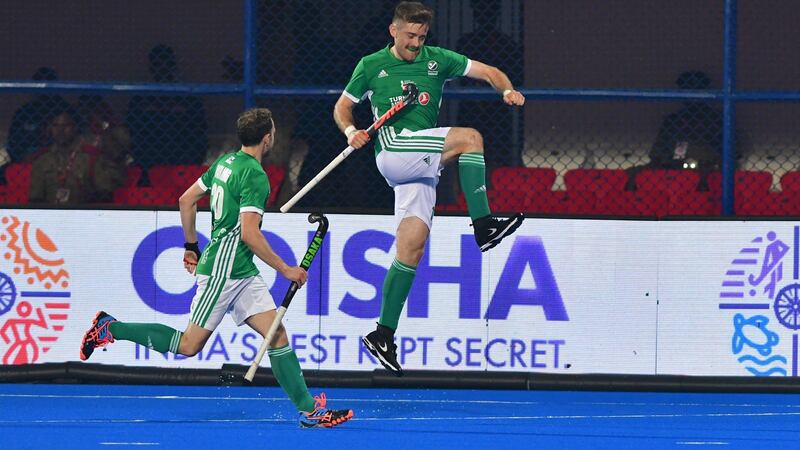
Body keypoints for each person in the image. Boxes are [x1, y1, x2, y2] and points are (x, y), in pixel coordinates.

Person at [79, 108, 353, 428]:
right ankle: (110, 328)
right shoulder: (254, 175)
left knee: (276, 335)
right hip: (224, 271)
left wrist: (192, 246)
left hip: (242, 270)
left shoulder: (224, 163)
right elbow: (250, 234)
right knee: (189, 345)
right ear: (268, 138)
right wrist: (285, 269)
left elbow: (186, 200)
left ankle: (309, 412)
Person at [333, 1, 526, 376]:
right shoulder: (371, 65)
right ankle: (484, 225)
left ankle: (382, 333)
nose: (416, 43)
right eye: (409, 35)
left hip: (422, 161)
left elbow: (489, 72)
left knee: (412, 247)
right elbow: (343, 107)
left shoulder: (438, 59)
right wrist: (351, 130)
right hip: (393, 148)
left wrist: (506, 90)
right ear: (393, 30)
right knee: (471, 138)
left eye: (421, 36)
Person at [125, 44, 208, 181]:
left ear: (173, 65)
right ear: (152, 67)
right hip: (151, 148)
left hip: (180, 147)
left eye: (166, 63)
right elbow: (131, 127)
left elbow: (199, 128)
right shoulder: (141, 96)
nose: (162, 68)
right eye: (158, 64)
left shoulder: (188, 95)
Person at [28, 108, 104, 204]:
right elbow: (35, 198)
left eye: (66, 125)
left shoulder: (89, 156)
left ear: (75, 128)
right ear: (50, 129)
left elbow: (102, 193)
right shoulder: (42, 160)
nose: (60, 130)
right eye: (56, 126)